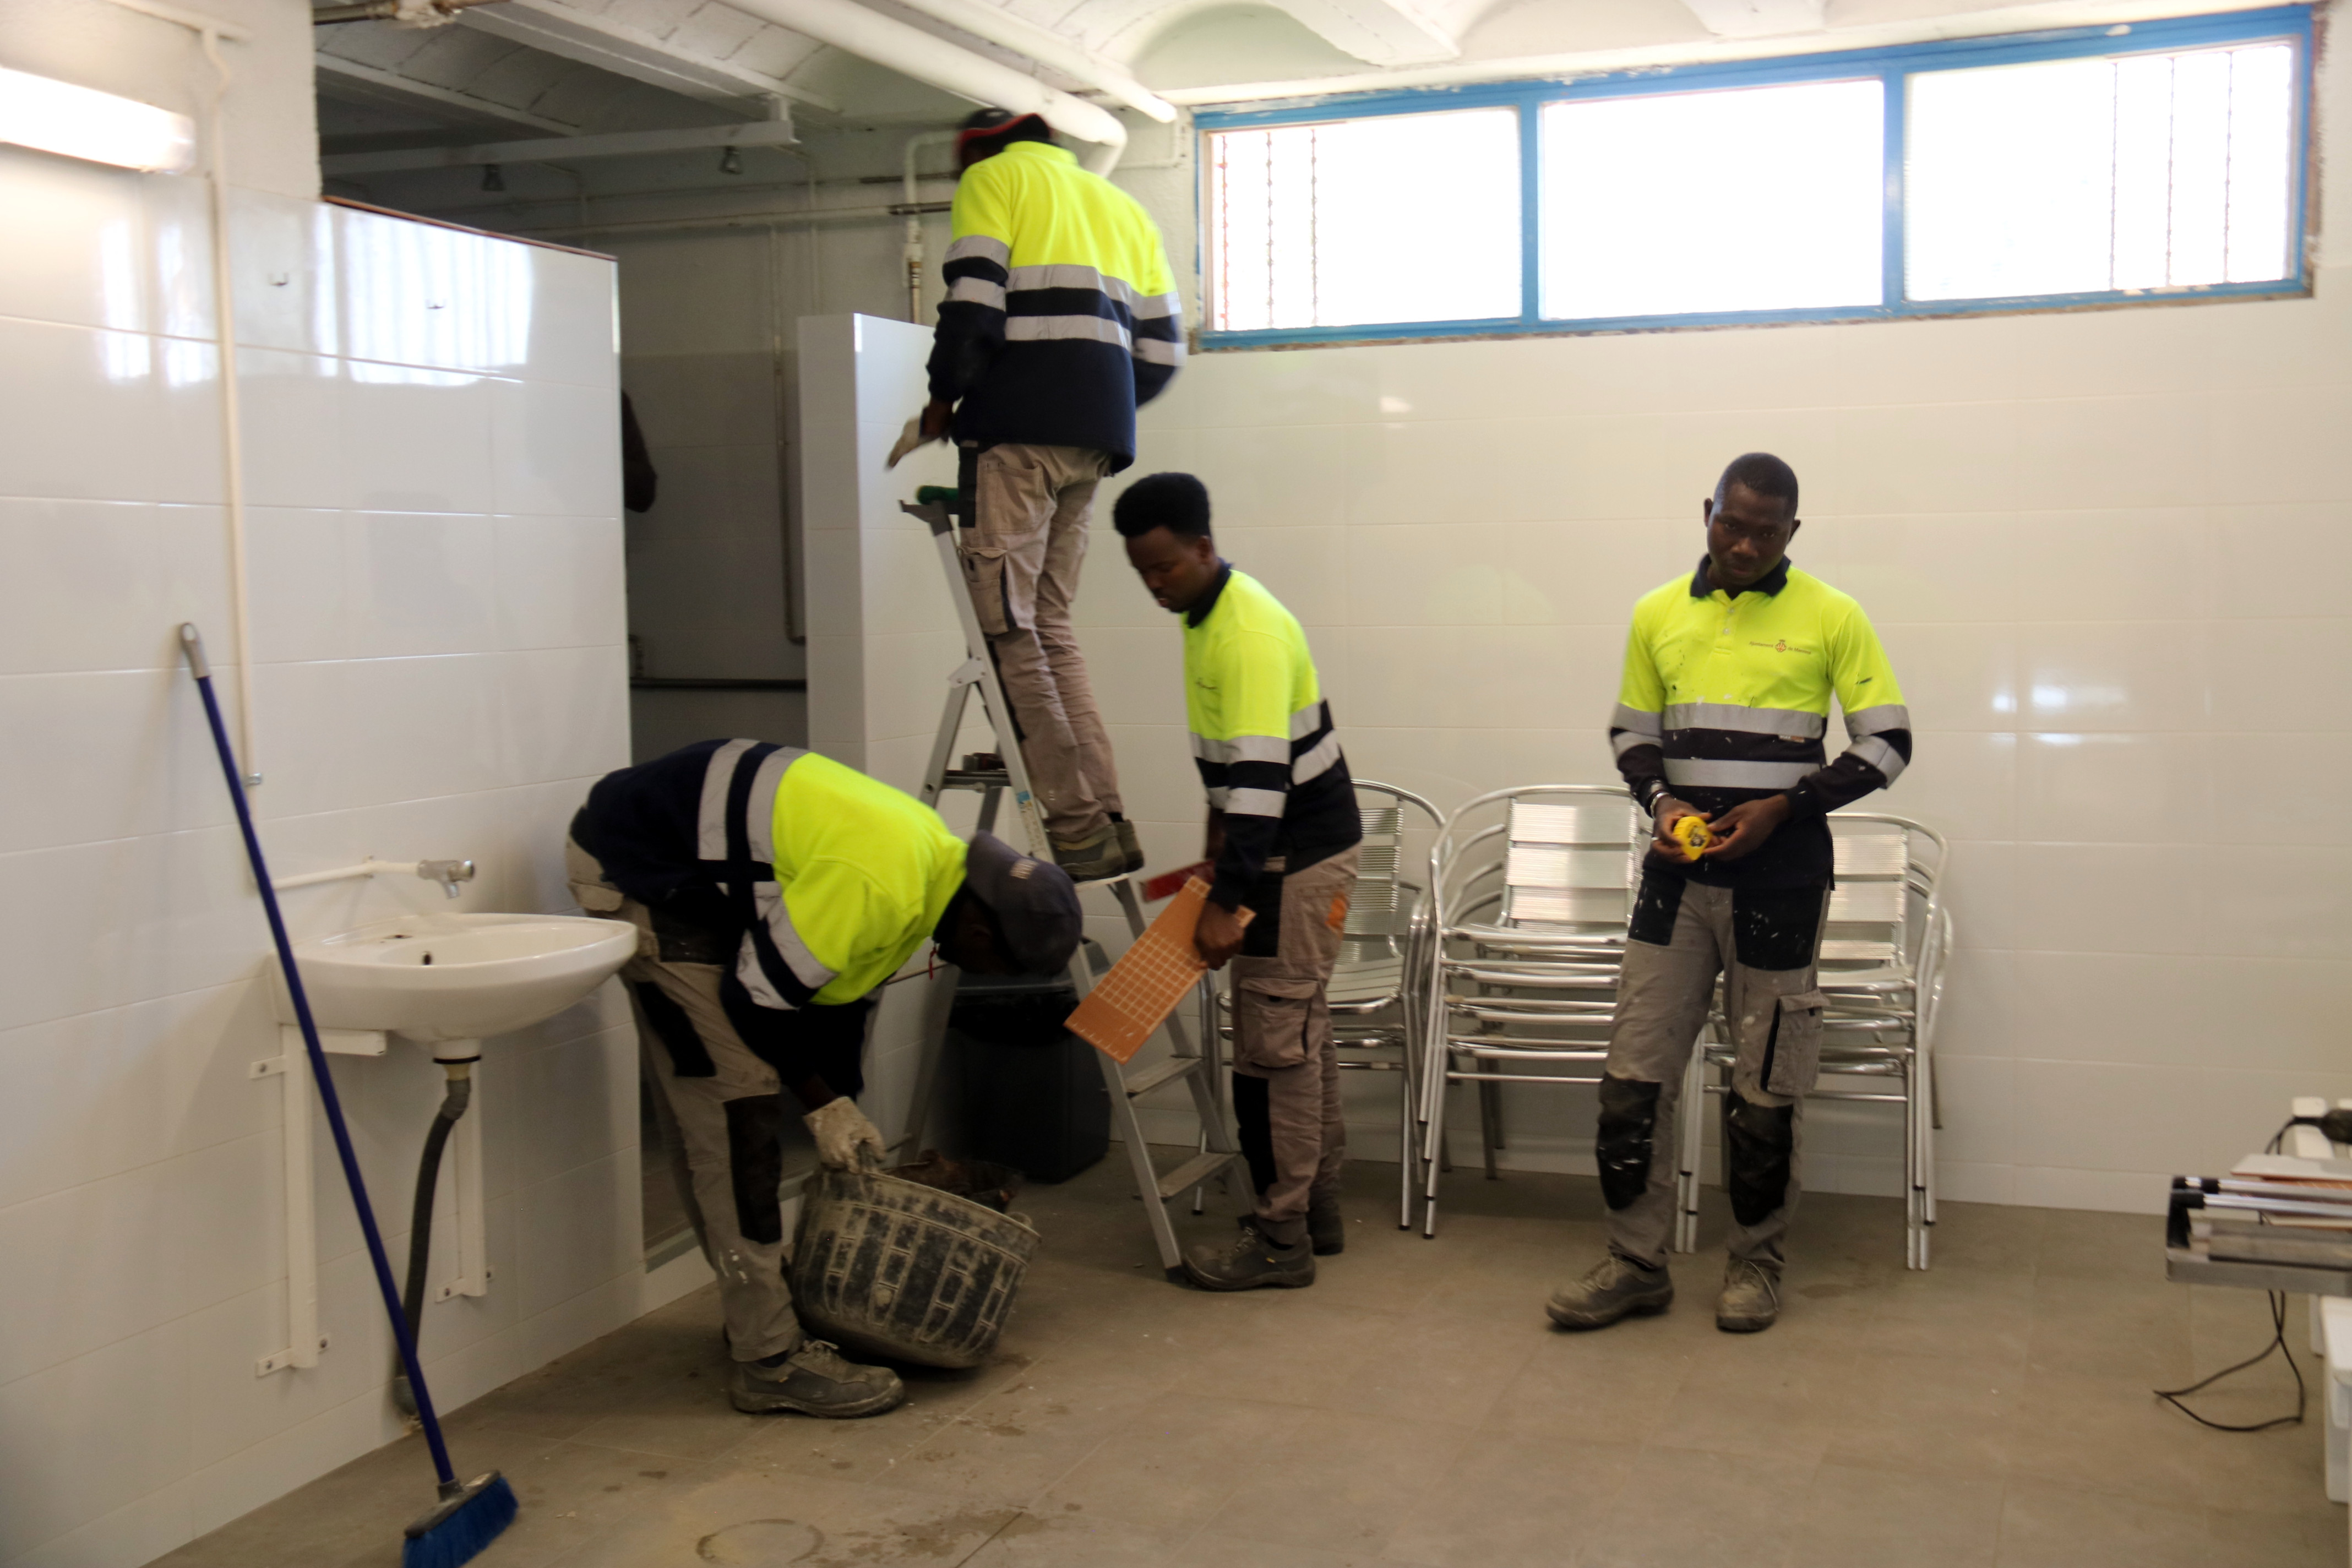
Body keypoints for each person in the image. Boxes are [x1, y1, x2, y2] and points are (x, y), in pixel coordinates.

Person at [566, 739, 1083, 1414]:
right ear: (982, 932)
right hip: (638, 868)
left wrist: (846, 1103)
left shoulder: (931, 870)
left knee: (723, 1107)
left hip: (693, 875)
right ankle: (768, 1360)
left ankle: (764, 1313)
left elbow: (838, 1001)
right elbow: (755, 1000)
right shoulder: (881, 882)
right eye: (1000, 967)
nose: (982, 977)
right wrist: (821, 1104)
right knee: (736, 1114)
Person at [1546, 453, 1912, 1336]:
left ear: (1793, 532)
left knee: (1763, 1095)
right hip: (1676, 883)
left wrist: (1786, 806)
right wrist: (1660, 801)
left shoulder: (1834, 615)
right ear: (1707, 510)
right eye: (1731, 524)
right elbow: (1631, 731)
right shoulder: (1657, 612)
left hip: (1780, 882)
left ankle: (1756, 1267)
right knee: (1631, 1084)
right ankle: (1635, 1263)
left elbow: (1890, 743)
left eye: (1765, 531)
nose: (1744, 544)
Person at [911, 106, 1185, 881]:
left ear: (977, 154)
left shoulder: (992, 181)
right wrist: (1099, 405)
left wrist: (945, 397)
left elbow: (971, 303)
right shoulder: (1124, 208)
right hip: (1095, 444)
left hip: (1017, 437)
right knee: (1053, 624)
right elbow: (1163, 355)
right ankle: (1109, 813)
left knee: (1008, 626)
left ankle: (1071, 825)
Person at [1112, 473, 1362, 1292]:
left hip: (1297, 856)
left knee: (1275, 1049)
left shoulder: (1244, 631)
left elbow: (1259, 782)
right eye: (1141, 570)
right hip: (1285, 853)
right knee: (1298, 1034)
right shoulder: (1206, 614)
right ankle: (1314, 1211)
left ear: (1204, 548)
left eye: (1166, 567)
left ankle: (1281, 1237)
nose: (1155, 584)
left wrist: (1226, 903)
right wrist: (1215, 862)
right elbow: (1229, 775)